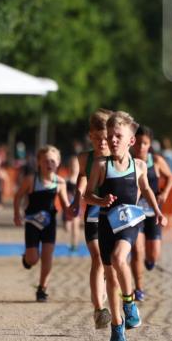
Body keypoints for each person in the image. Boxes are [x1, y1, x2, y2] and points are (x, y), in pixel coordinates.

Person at [83, 111, 167, 341]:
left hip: (130, 221)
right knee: (110, 275)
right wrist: (100, 201)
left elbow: (147, 189)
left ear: (131, 140)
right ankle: (117, 325)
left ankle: (129, 303)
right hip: (106, 224)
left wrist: (158, 211)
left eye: (118, 136)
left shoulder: (138, 165)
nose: (113, 140)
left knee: (120, 258)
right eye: (110, 136)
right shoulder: (101, 165)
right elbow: (87, 195)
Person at [14, 146, 71, 302]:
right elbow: (18, 196)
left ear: (58, 163)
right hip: (32, 223)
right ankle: (27, 258)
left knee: (47, 257)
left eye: (53, 161)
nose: (49, 163)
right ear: (39, 162)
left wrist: (70, 212)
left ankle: (42, 288)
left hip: (49, 224)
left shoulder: (59, 182)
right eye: (45, 160)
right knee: (33, 260)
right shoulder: (31, 180)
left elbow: (65, 203)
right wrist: (16, 214)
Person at [73, 110, 113, 329]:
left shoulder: (119, 158)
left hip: (116, 215)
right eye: (97, 138)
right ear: (90, 136)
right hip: (94, 211)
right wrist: (74, 200)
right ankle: (99, 310)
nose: (101, 142)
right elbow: (83, 177)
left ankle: (112, 291)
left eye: (106, 138)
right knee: (97, 258)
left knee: (113, 262)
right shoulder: (85, 158)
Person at [131, 125, 172, 301]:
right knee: (137, 250)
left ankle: (150, 262)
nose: (141, 147)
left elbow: (171, 177)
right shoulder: (129, 161)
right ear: (133, 143)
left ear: (150, 144)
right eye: (139, 143)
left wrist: (164, 193)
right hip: (136, 213)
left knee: (153, 254)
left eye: (145, 143)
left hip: (154, 212)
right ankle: (139, 288)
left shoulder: (155, 161)